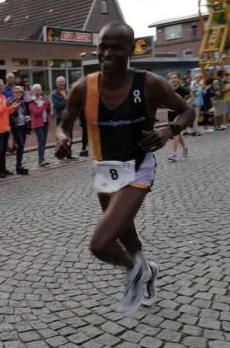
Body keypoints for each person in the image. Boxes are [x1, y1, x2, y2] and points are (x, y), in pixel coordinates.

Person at [55, 22, 194, 314]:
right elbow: (63, 125)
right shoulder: (84, 88)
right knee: (124, 233)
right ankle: (147, 269)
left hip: (138, 167)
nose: (106, 53)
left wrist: (169, 130)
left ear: (131, 50)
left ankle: (135, 272)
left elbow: (187, 110)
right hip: (104, 171)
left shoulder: (149, 83)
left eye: (116, 47)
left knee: (101, 243)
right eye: (102, 46)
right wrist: (63, 138)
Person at [167, 72, 191, 161]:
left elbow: (191, 96)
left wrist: (186, 102)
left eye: (175, 78)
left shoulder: (183, 89)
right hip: (170, 113)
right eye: (171, 78)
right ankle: (185, 147)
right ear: (169, 80)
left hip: (180, 113)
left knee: (174, 132)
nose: (173, 79)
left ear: (179, 79)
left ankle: (173, 154)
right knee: (178, 133)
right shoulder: (167, 89)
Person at [29, 84, 51, 167]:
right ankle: (40, 160)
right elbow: (36, 112)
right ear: (33, 92)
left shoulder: (42, 99)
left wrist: (48, 105)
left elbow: (48, 111)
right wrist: (45, 105)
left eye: (39, 90)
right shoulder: (32, 101)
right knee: (41, 140)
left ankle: (42, 158)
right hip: (38, 124)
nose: (38, 92)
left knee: (44, 141)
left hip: (45, 122)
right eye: (36, 90)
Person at [11, 86, 30, 175]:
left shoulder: (22, 103)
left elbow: (25, 113)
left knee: (21, 147)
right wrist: (15, 108)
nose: (18, 94)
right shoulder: (11, 102)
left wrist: (27, 117)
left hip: (23, 126)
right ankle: (18, 166)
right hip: (16, 127)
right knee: (21, 145)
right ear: (13, 93)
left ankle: (19, 165)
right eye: (16, 92)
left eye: (20, 92)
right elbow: (10, 115)